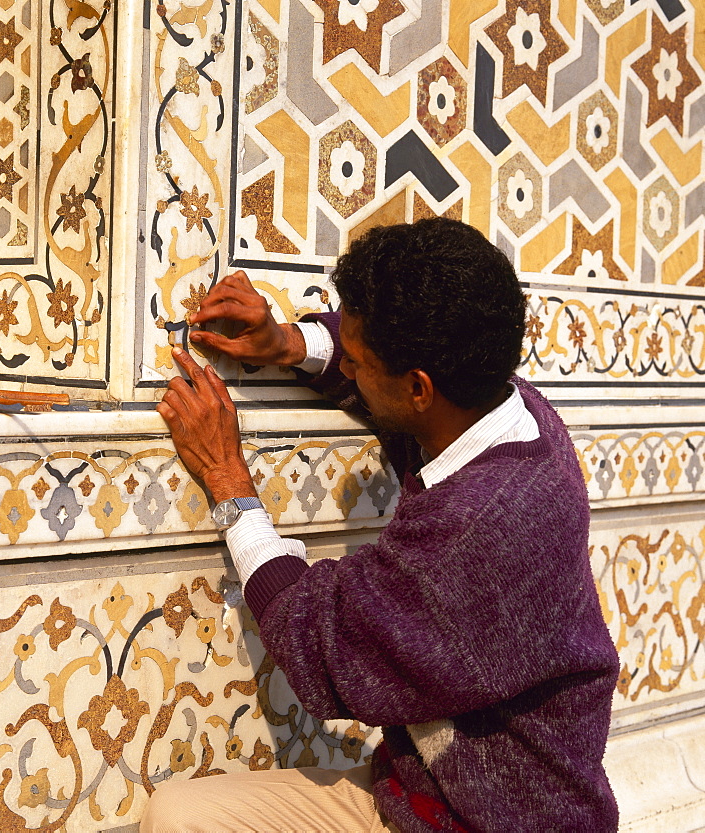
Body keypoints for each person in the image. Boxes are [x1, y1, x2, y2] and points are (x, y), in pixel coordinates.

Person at [143, 218, 619, 832]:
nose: (352, 365)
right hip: (424, 796)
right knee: (184, 815)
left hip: (479, 820)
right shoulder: (508, 408)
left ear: (418, 388)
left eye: (359, 362)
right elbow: (396, 389)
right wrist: (289, 343)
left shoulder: (475, 529)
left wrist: (230, 482)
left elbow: (320, 639)